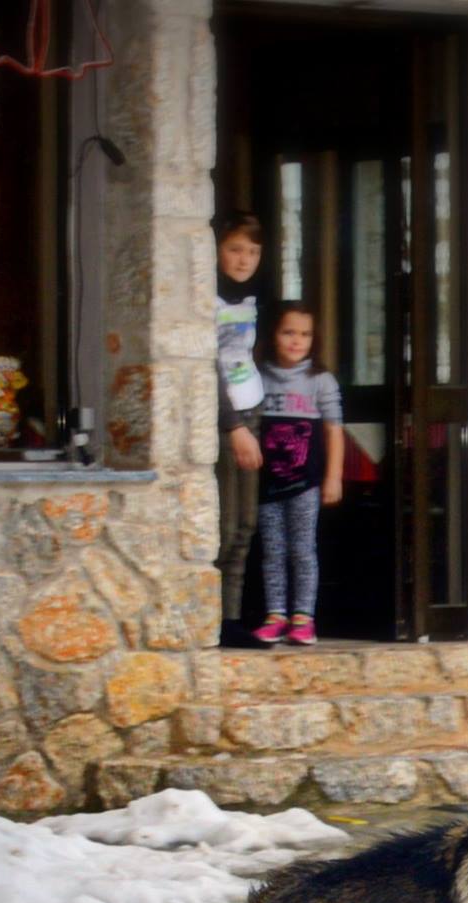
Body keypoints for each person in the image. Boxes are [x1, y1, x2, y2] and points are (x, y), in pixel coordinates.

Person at [250, 303, 344, 646]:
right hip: (267, 482)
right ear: (273, 335)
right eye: (288, 332)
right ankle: (276, 614)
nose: (296, 341)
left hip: (305, 482)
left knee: (302, 549)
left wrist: (333, 477)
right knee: (273, 550)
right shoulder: (259, 375)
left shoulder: (320, 380)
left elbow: (334, 430)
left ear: (314, 340)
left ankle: (304, 617)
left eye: (304, 334)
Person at [214, 212, 264, 631]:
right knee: (226, 525)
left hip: (253, 407)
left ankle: (232, 618)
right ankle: (214, 619)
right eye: (234, 249)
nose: (244, 259)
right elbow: (207, 366)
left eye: (252, 251)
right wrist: (234, 426)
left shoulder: (253, 298)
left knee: (247, 523)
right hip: (228, 417)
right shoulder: (206, 299)